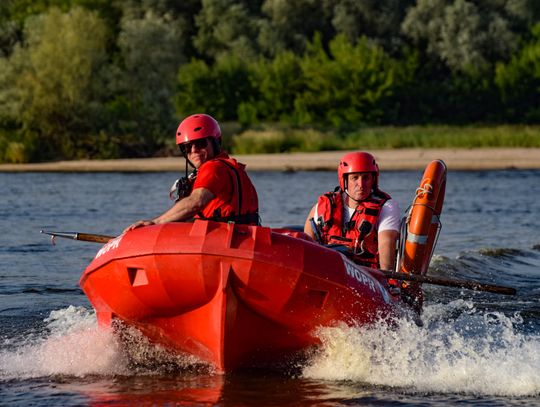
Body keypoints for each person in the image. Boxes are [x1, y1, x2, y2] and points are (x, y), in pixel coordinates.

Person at [124, 113, 259, 232]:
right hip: (242, 236)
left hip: (226, 241)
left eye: (200, 143)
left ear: (215, 143)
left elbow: (196, 202)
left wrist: (155, 222)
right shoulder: (228, 167)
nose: (193, 150)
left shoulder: (213, 168)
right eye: (187, 147)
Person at [304, 151, 400, 271]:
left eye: (366, 178)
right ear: (344, 180)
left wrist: (387, 281)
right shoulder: (323, 206)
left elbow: (386, 244)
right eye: (355, 178)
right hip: (330, 271)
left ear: (373, 180)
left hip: (368, 275)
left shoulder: (387, 207)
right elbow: (306, 247)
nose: (361, 184)